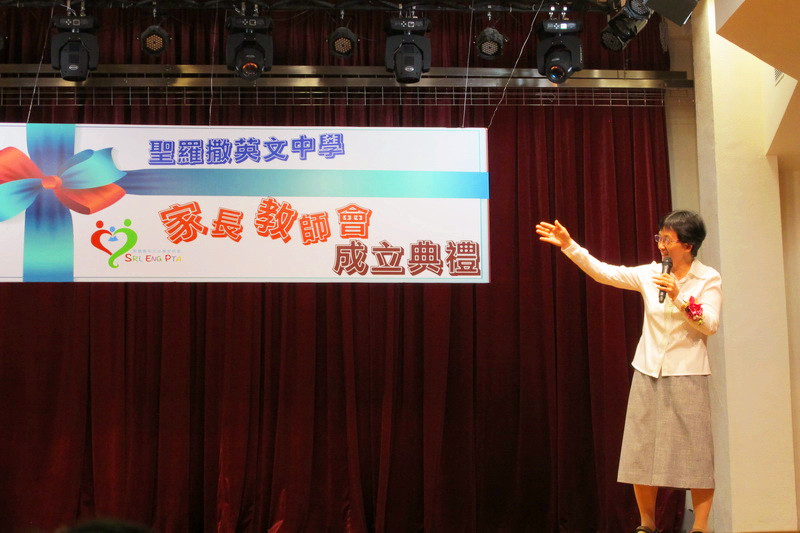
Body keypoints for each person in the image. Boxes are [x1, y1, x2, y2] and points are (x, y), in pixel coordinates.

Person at [535, 210, 722, 533]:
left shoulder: (708, 279)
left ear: (688, 245)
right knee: (641, 450)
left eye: (668, 239)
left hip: (687, 372)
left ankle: (701, 528)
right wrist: (569, 246)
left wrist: (679, 296)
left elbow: (710, 324)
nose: (661, 245)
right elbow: (604, 273)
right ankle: (647, 524)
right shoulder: (650, 273)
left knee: (696, 453)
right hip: (648, 370)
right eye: (660, 237)